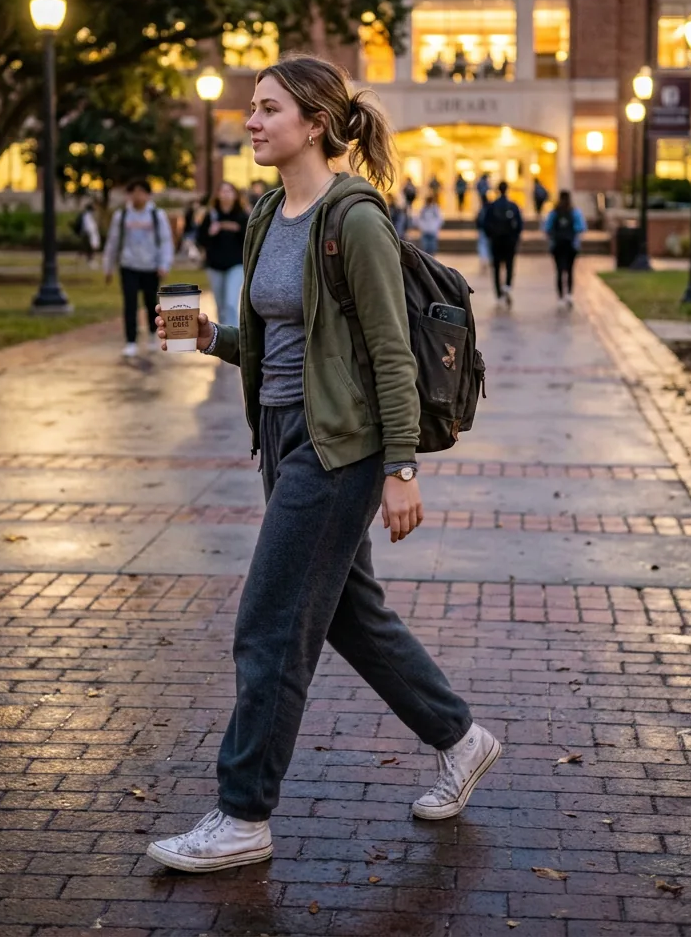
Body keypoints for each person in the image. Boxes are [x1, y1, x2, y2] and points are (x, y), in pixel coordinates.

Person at [149, 55, 500, 873]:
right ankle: (460, 736)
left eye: (269, 108)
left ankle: (243, 815)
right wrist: (209, 338)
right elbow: (287, 347)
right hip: (279, 436)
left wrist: (402, 468)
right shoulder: (271, 212)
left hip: (338, 449)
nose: (252, 119)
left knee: (270, 625)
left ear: (314, 123)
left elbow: (388, 354)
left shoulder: (358, 220)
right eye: (251, 107)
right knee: (347, 612)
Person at [103, 178, 174, 357]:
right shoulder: (122, 216)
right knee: (130, 304)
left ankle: (152, 333)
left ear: (148, 195)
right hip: (129, 265)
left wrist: (164, 264)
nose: (137, 196)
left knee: (151, 303)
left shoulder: (157, 216)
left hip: (151, 267)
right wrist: (108, 266)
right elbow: (113, 242)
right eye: (133, 192)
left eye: (141, 192)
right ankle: (131, 341)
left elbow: (166, 241)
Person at [197, 181, 248, 328]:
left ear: (235, 195)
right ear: (218, 195)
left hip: (236, 265)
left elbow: (248, 239)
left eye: (229, 191)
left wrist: (236, 229)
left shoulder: (242, 216)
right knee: (220, 306)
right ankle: (224, 338)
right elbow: (201, 240)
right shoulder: (211, 216)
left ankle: (235, 338)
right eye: (223, 191)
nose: (225, 194)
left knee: (231, 303)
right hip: (215, 266)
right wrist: (210, 232)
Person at [544, 190, 587, 308]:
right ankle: (569, 294)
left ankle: (560, 296)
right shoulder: (575, 212)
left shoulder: (554, 212)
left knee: (559, 270)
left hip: (557, 245)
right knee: (570, 270)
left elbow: (547, 227)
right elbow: (581, 227)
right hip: (571, 245)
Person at [484, 180, 523, 308]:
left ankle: (498, 293)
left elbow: (485, 223)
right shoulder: (512, 206)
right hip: (509, 241)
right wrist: (515, 237)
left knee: (496, 267)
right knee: (509, 264)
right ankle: (507, 285)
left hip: (496, 241)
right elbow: (519, 225)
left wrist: (490, 236)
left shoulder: (492, 206)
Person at [75, 201, 101, 266]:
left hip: (89, 233)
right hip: (89, 233)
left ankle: (82, 257)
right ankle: (90, 260)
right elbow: (88, 226)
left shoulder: (88, 215)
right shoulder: (87, 215)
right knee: (90, 248)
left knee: (87, 247)